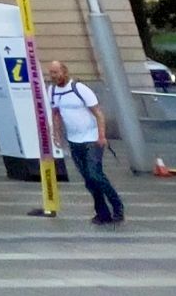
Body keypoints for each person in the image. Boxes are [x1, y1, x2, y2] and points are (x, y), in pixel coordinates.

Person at [46, 60, 125, 225]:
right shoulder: (52, 91)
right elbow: (56, 114)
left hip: (91, 138)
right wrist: (56, 135)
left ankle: (117, 205)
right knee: (88, 179)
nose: (54, 76)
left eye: (56, 72)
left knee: (95, 174)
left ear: (64, 72)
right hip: (74, 140)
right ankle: (102, 212)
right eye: (51, 73)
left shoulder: (79, 89)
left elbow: (98, 113)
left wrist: (101, 136)